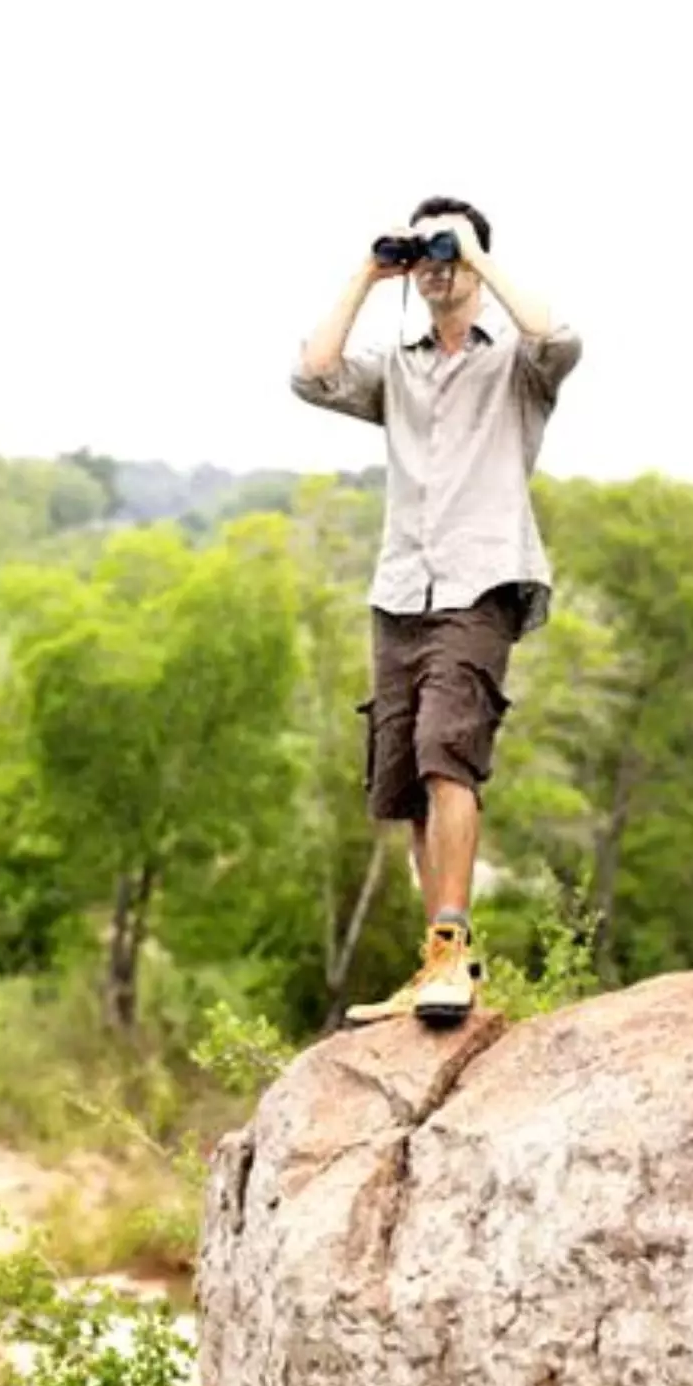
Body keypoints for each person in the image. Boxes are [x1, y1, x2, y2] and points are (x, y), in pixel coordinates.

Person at [290, 196, 581, 1025]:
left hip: (481, 582)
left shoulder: (515, 366)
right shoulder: (399, 366)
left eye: (449, 250)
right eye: (427, 253)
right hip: (400, 588)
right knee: (411, 778)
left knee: (447, 752)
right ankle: (439, 965)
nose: (437, 264)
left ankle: (452, 950)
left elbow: (559, 337)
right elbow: (312, 374)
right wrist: (372, 271)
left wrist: (475, 257)